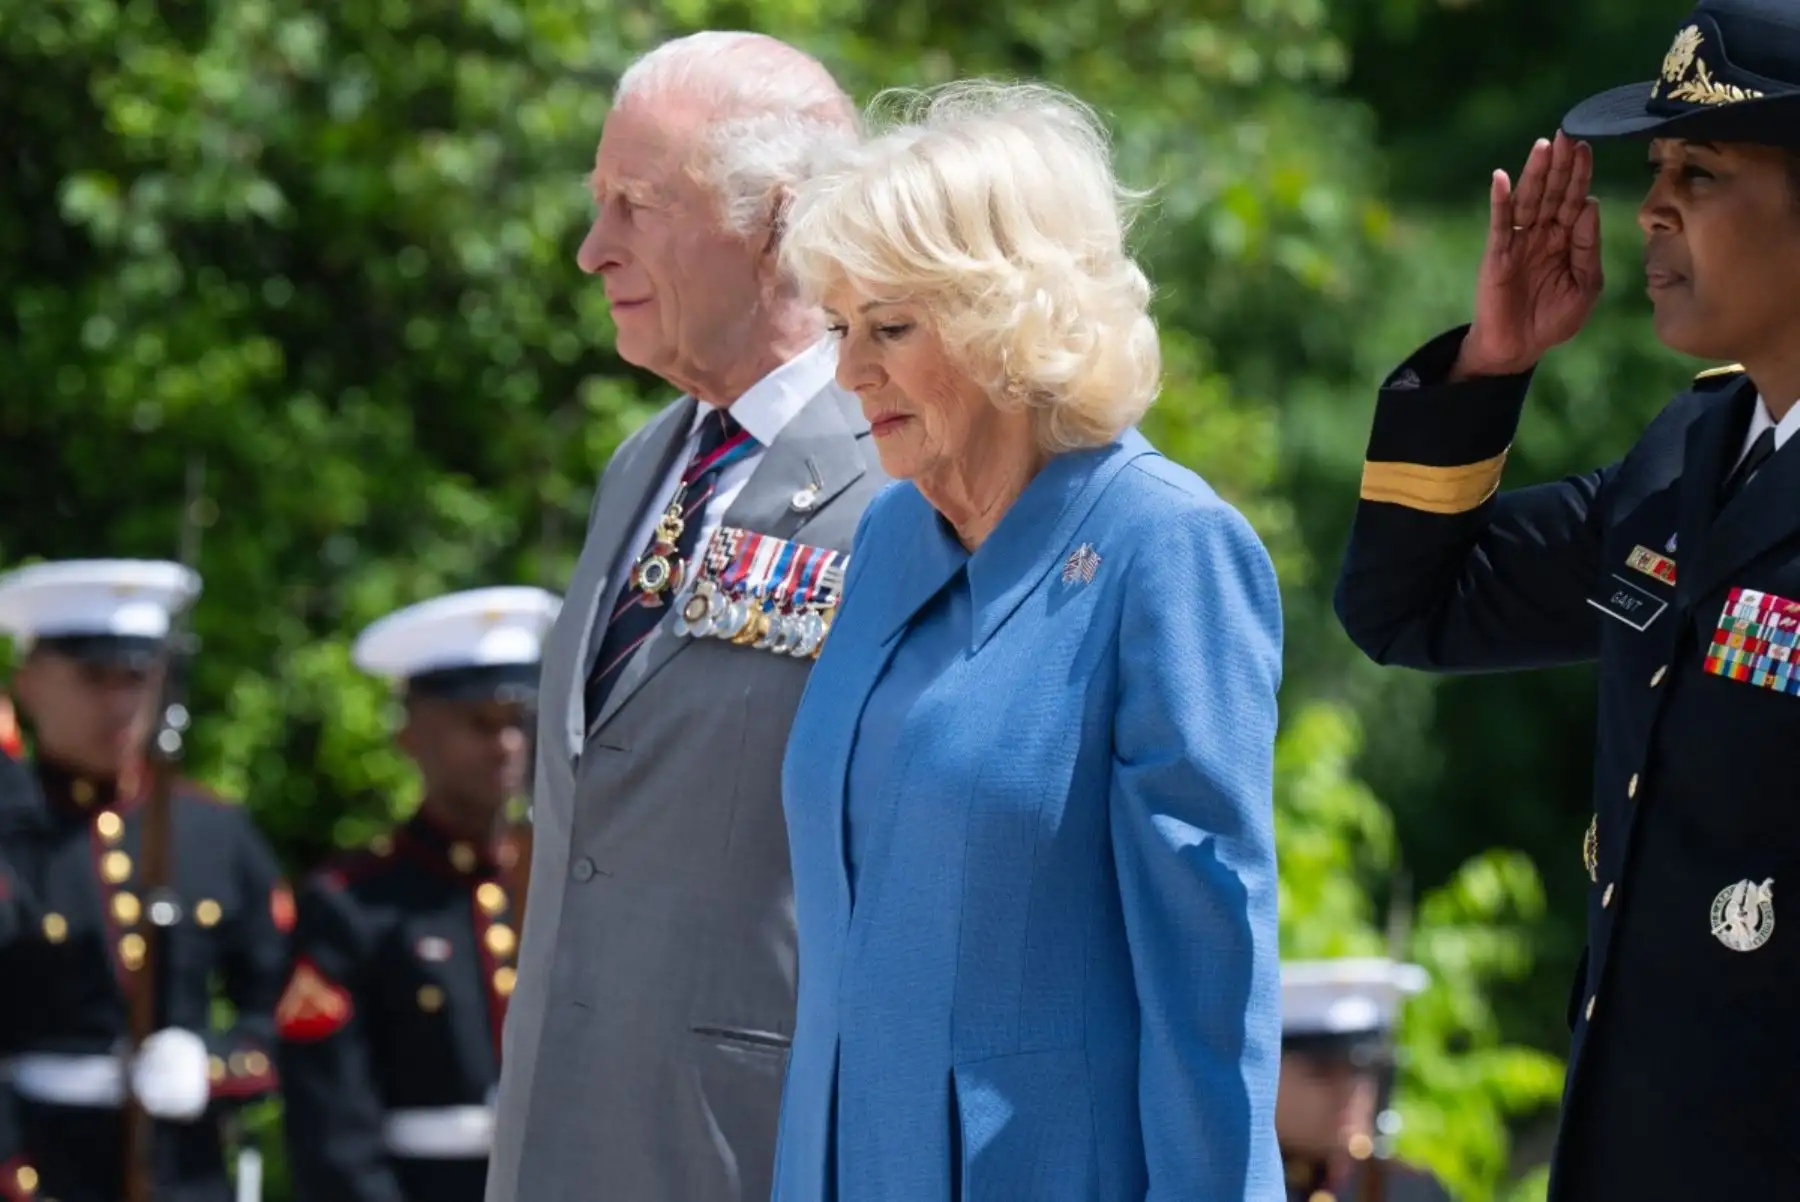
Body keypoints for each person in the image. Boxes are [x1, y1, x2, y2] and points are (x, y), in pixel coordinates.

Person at [771, 81, 1286, 1201]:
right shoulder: (893, 533)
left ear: (1012, 320)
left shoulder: (1169, 546)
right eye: (839, 329)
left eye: (891, 329)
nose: (850, 373)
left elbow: (1211, 970)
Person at [1332, 1, 1800, 1196]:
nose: (1650, 209)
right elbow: (1412, 609)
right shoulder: (1689, 453)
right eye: (1654, 172)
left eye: (1701, 171)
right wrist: (1490, 368)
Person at [483, 31, 888, 1202]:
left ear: (780, 222)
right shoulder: (646, 462)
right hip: (561, 1137)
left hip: (751, 1151)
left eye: (636, 205)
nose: (590, 249)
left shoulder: (907, 480)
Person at [0, 558, 290, 1202]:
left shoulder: (213, 829)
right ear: (30, 683)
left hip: (185, 1171)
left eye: (138, 677)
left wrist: (215, 1063)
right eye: (94, 679)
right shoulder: (10, 828)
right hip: (40, 1168)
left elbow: (283, 999)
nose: (122, 703)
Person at [277, 586, 557, 1202]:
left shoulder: (560, 882)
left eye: (518, 722)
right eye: (479, 723)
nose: (506, 744)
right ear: (412, 735)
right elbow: (332, 1129)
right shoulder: (352, 902)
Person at [1277, 960, 1451, 1202]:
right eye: (1322, 1070)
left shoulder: (1414, 1191)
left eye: (1362, 1070)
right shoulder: (1225, 1185)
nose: (1348, 1092)